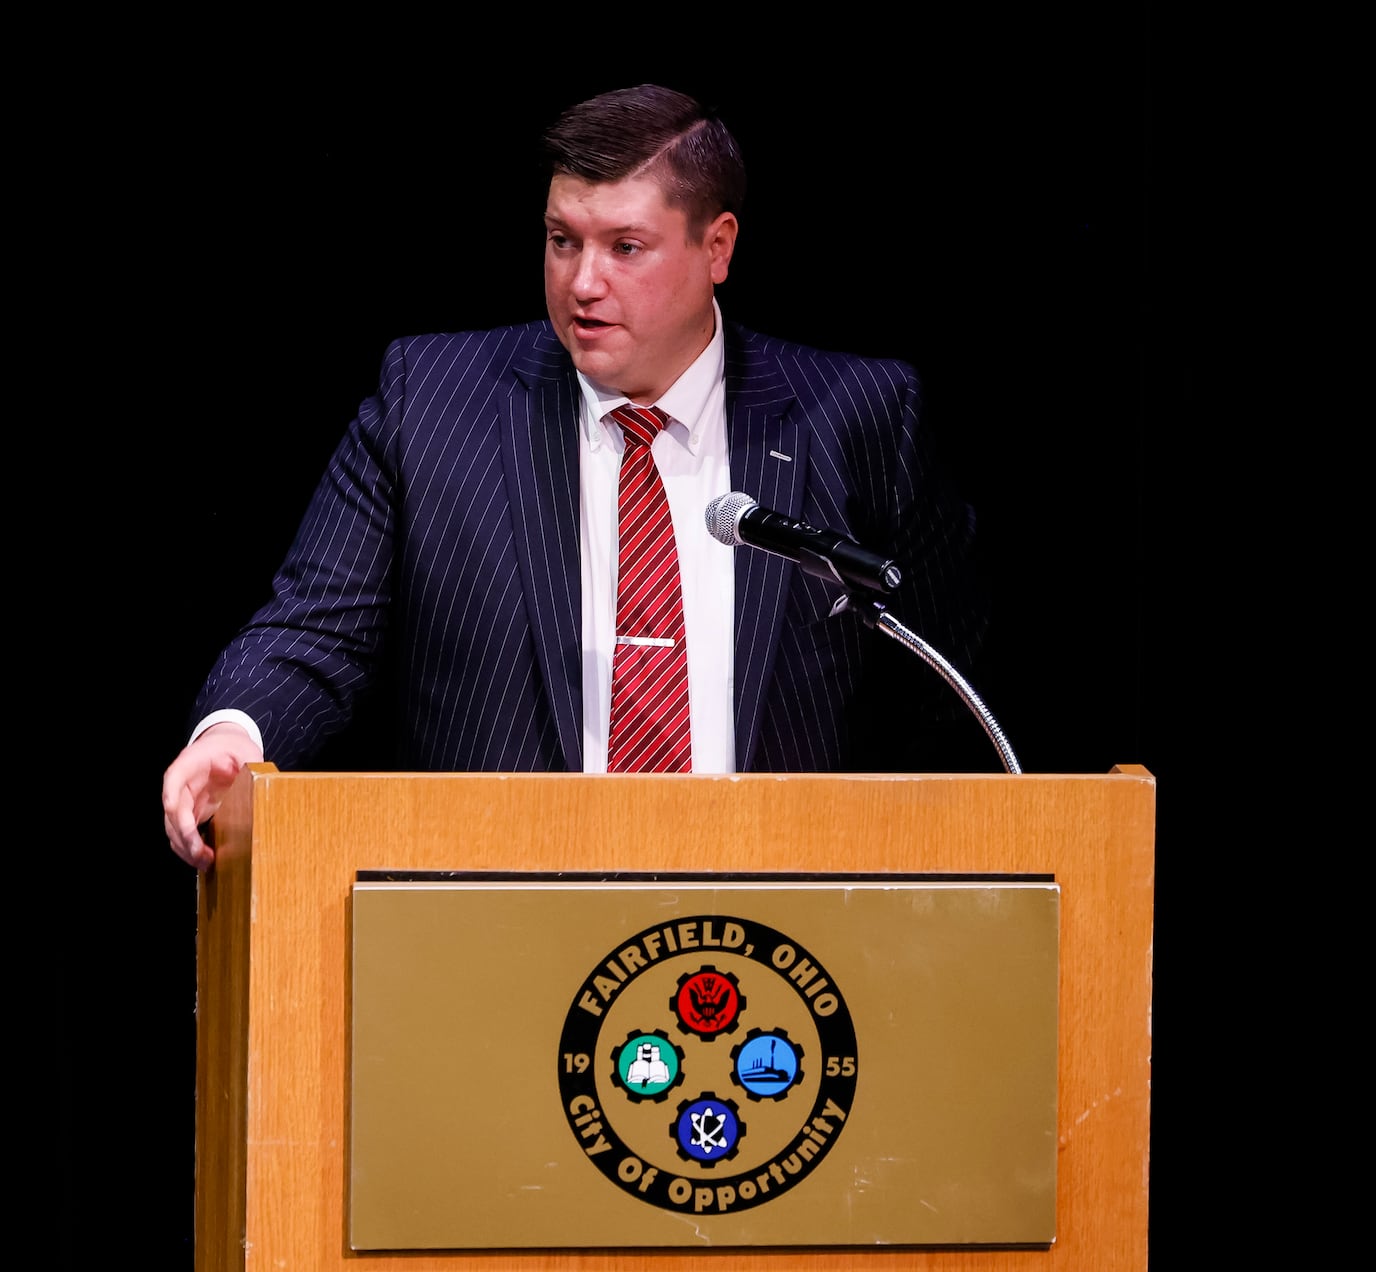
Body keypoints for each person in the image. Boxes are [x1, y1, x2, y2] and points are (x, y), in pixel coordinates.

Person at [163, 83, 991, 872]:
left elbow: (942, 683)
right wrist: (236, 732)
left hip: (786, 919)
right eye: (563, 241)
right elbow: (317, 627)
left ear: (718, 247)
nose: (582, 282)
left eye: (625, 247)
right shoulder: (436, 400)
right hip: (501, 919)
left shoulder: (858, 413)